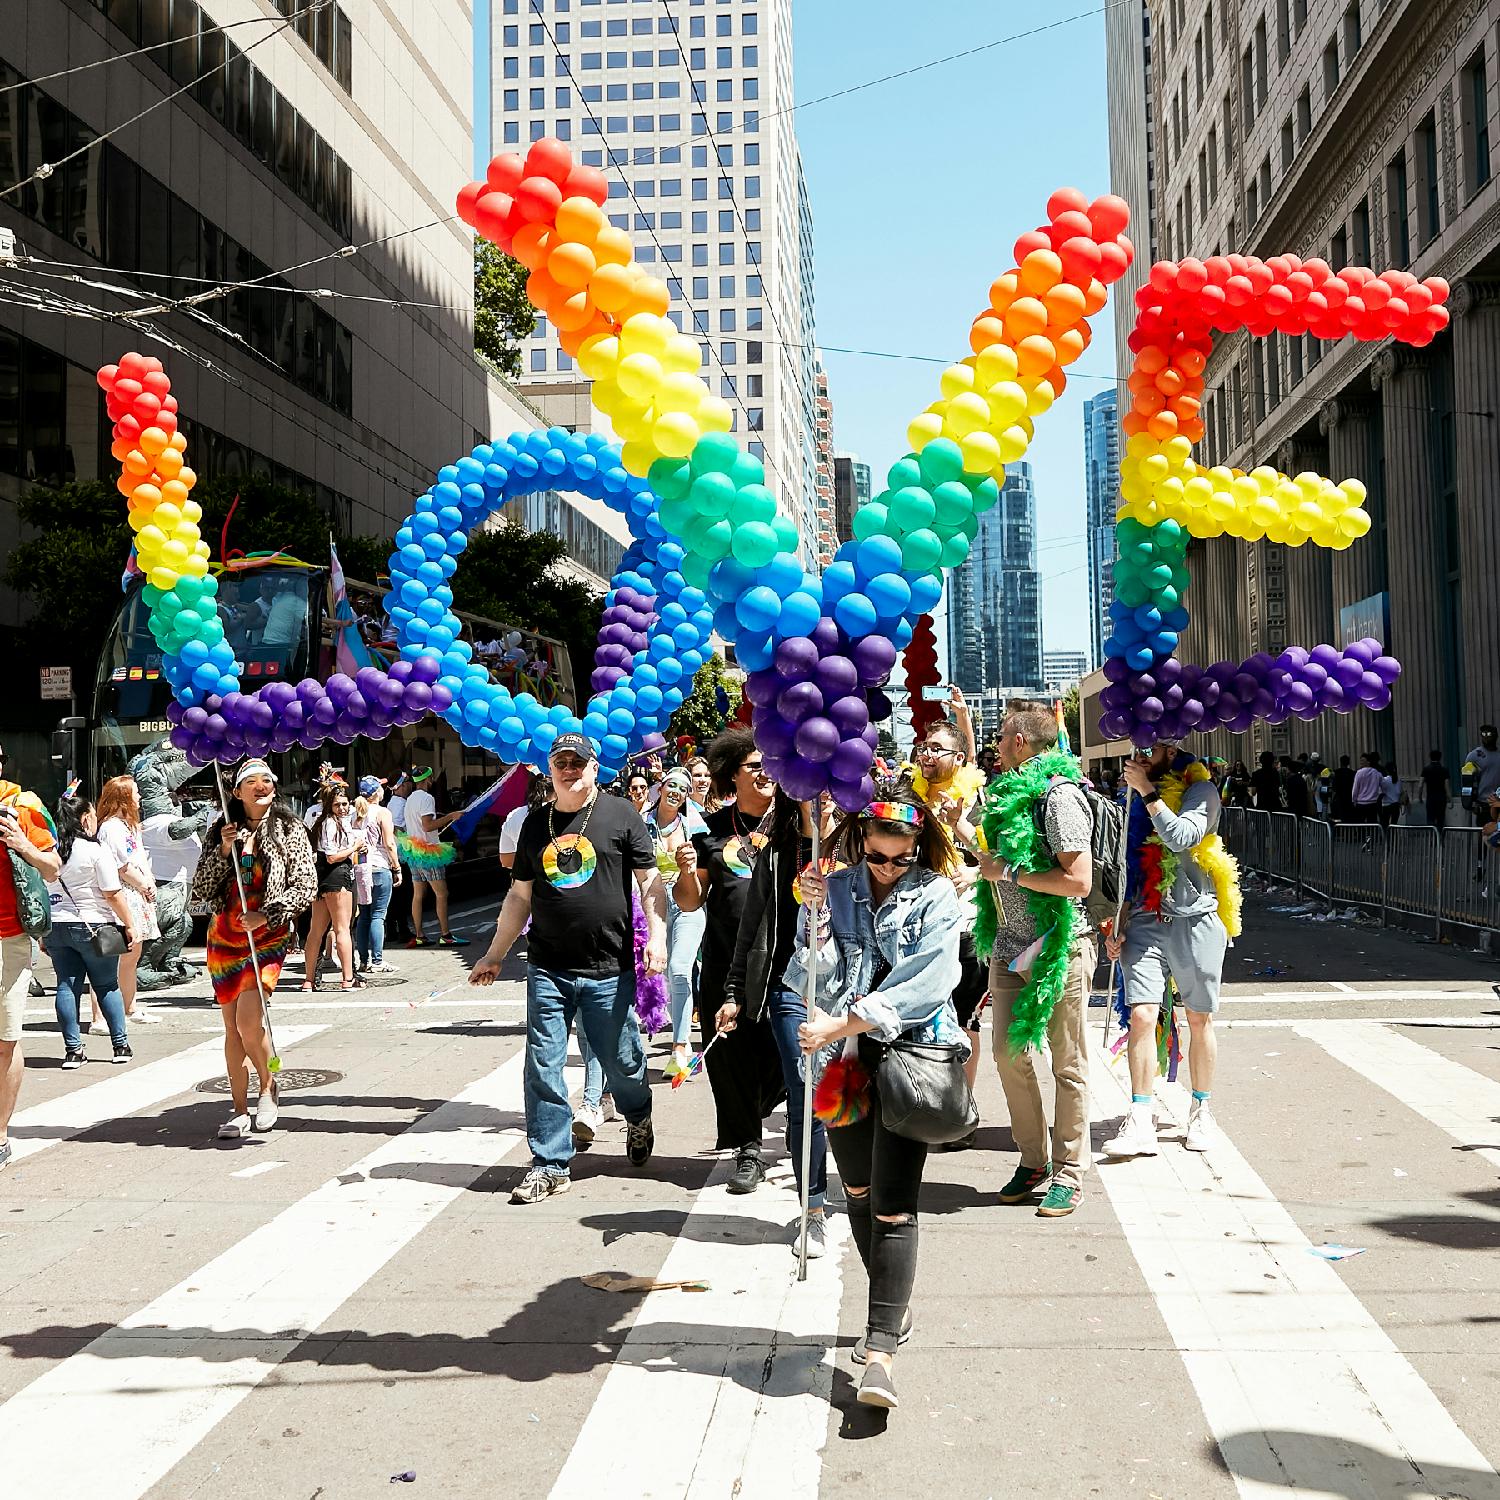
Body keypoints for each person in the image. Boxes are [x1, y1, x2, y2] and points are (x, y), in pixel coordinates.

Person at [789, 781, 963, 1413]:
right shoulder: (834, 888)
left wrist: (848, 1021)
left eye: (902, 857)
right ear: (862, 843)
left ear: (919, 847)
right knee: (857, 1192)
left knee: (892, 1203)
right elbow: (812, 973)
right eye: (879, 855)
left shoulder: (937, 894)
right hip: (840, 1066)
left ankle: (881, 1349)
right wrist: (813, 921)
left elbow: (933, 980)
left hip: (910, 1057)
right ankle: (896, 1304)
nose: (889, 867)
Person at [470, 733, 667, 1204]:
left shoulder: (621, 814)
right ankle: (550, 1162)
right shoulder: (536, 825)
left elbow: (651, 881)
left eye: (578, 762)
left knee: (622, 1062)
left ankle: (637, 1112)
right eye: (561, 762)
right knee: (543, 1063)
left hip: (609, 966)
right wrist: (495, 954)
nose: (570, 769)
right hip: (547, 966)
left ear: (594, 767)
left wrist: (657, 939)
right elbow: (519, 896)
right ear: (550, 769)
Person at [973, 700, 1096, 1218]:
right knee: (1005, 1053)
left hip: (1058, 947)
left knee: (1067, 1062)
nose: (997, 747)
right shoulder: (1008, 796)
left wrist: (1009, 875)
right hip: (1009, 945)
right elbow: (991, 864)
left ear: (1020, 742)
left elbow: (1079, 880)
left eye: (1001, 738)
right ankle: (1033, 1160)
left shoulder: (1060, 797)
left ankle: (1069, 1172)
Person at [1104, 744, 1239, 1158]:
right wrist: (1118, 921)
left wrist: (1146, 790)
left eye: (1149, 747)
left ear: (1171, 746)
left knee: (1199, 1018)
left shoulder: (1201, 791)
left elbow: (1181, 837)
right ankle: (1141, 1116)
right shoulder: (1131, 794)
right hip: (1145, 918)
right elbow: (1126, 863)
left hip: (1194, 917)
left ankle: (1200, 1109)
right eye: (1135, 746)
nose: (1139, 754)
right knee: (1142, 1016)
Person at [724, 789, 840, 1251]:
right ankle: (812, 1209)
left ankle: (856, 1182)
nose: (824, 797)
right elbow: (751, 924)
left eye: (833, 785)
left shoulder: (861, 844)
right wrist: (735, 992)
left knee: (849, 1089)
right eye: (815, 787)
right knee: (805, 1088)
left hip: (851, 987)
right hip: (792, 986)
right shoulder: (777, 853)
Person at [674, 728, 787, 1196]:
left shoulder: (796, 827)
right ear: (731, 776)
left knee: (781, 1058)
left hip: (783, 963)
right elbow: (690, 901)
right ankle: (748, 1148)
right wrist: (683, 871)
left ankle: (760, 1107)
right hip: (725, 965)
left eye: (770, 766)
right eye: (754, 767)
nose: (765, 774)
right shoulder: (713, 834)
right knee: (733, 1058)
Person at [191, 760, 317, 1140]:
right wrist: (223, 849)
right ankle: (239, 1109)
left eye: (267, 780)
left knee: (249, 1021)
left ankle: (268, 1085)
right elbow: (201, 888)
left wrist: (267, 915)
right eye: (252, 781)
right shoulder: (221, 830)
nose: (262, 786)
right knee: (231, 1029)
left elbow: (305, 886)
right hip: (224, 937)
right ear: (236, 792)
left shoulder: (288, 828)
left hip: (265, 937)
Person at [46, 795, 136, 1068]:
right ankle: (120, 1045)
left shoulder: (49, 851)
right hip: (95, 925)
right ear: (85, 819)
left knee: (66, 985)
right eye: (94, 815)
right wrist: (129, 924)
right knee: (107, 984)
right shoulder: (95, 850)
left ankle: (73, 1051)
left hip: (56, 926)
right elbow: (112, 893)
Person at [0, 759, 60, 1169]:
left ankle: (0, 1134)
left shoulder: (22, 805)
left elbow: (53, 869)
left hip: (9, 939)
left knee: (5, 1039)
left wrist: (22, 844)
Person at [647, 766, 708, 1076]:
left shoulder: (695, 828)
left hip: (687, 904)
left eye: (683, 789)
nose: (676, 792)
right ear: (661, 788)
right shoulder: (642, 825)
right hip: (653, 905)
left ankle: (680, 1048)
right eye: (672, 785)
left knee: (680, 969)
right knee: (662, 976)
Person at [94, 776, 162, 1025]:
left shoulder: (129, 826)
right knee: (114, 956)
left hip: (137, 891)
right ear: (123, 797)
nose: (139, 797)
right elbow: (122, 866)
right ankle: (100, 1016)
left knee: (133, 954)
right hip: (124, 892)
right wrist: (144, 885)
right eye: (135, 793)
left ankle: (129, 1006)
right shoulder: (111, 827)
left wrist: (147, 882)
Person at [301, 782, 365, 990]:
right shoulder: (330, 823)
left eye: (346, 804)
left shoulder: (331, 821)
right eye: (338, 804)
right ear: (329, 805)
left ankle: (309, 980)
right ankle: (348, 978)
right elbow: (331, 857)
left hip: (322, 876)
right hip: (336, 875)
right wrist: (354, 847)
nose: (344, 808)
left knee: (316, 930)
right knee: (341, 928)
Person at [401, 767, 467, 947]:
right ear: (428, 779)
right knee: (442, 893)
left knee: (418, 894)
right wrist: (451, 817)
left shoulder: (410, 799)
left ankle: (420, 935)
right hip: (429, 851)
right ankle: (446, 935)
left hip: (414, 850)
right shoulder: (427, 798)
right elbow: (428, 826)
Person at [353, 776, 401, 975]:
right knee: (378, 916)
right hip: (380, 867)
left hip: (359, 867)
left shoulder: (352, 811)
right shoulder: (383, 812)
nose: (383, 790)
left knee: (363, 916)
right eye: (380, 787)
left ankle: (363, 961)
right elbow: (389, 843)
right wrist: (396, 868)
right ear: (376, 793)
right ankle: (378, 960)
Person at [384, 771, 415, 943]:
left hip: (394, 853)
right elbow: (394, 827)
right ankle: (402, 928)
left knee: (395, 894)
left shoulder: (393, 802)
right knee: (401, 893)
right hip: (399, 853)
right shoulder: (399, 803)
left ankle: (392, 929)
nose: (411, 784)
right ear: (401, 785)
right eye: (408, 782)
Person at [1462, 725, 1500, 823]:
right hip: (1483, 804)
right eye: (1483, 734)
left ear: (1495, 736)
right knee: (1484, 834)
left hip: (1498, 803)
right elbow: (1467, 782)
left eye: (1488, 734)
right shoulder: (1474, 755)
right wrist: (1471, 802)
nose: (1485, 737)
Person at [1352, 750, 1384, 823]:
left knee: (1361, 823)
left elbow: (1355, 788)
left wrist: (1354, 800)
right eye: (1361, 760)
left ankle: (1363, 834)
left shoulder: (1359, 773)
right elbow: (1383, 785)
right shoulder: (1377, 773)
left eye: (1363, 760)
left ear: (1368, 762)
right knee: (1372, 823)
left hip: (1361, 803)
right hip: (1373, 802)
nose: (1361, 762)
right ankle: (1372, 834)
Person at [1421, 750, 1450, 829]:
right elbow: (1446, 786)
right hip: (1441, 798)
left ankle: (1432, 838)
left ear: (1430, 757)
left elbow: (1420, 785)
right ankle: (1439, 838)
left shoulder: (1426, 769)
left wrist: (1420, 797)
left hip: (1431, 798)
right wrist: (1449, 798)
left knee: (1430, 819)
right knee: (1441, 819)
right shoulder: (1444, 770)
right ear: (1440, 758)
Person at [1330, 755, 1356, 822]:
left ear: (1340, 762)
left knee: (1340, 818)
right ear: (1348, 763)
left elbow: (1334, 787)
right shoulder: (1352, 772)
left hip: (1339, 798)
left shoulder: (1336, 772)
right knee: (1349, 818)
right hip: (1349, 798)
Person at [1379, 763, 1404, 829]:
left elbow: (1381, 792)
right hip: (1396, 805)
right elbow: (1400, 792)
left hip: (1386, 805)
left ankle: (1386, 838)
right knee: (1394, 825)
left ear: (1386, 770)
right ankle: (1393, 838)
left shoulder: (1384, 780)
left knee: (1385, 825)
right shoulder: (1399, 780)